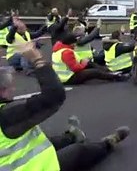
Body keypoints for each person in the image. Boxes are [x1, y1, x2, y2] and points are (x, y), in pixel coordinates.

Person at [0, 42, 130, 171]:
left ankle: (71, 137)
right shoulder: (7, 116)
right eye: (10, 87)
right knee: (79, 151)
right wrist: (37, 60)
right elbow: (54, 96)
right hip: (36, 167)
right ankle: (108, 143)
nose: (14, 89)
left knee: (44, 140)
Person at [52, 33, 128, 85]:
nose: (75, 45)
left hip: (62, 77)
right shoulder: (66, 52)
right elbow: (75, 68)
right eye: (74, 43)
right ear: (70, 43)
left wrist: (84, 62)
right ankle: (116, 77)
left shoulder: (59, 50)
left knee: (90, 63)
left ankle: (111, 72)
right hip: (68, 78)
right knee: (93, 72)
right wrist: (83, 63)